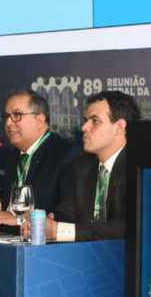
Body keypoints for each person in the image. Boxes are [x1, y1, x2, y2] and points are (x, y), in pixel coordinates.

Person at [24, 91, 141, 242]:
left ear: (119, 127)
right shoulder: (86, 163)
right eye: (86, 120)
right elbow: (68, 211)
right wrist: (48, 222)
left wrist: (59, 231)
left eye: (95, 121)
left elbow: (128, 226)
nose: (84, 127)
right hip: (90, 252)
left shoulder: (139, 168)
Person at [0, 90, 83, 227]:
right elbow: (19, 203)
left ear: (40, 120)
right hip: (9, 236)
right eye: (6, 116)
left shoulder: (66, 155)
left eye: (17, 115)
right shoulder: (13, 156)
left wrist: (19, 220)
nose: (8, 122)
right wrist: (1, 207)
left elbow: (69, 214)